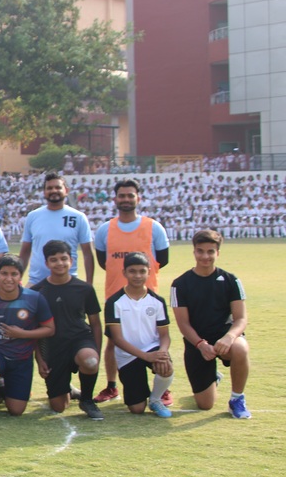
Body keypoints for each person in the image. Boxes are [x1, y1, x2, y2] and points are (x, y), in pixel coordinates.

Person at [93, 178, 170, 404]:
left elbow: (162, 260)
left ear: (138, 198)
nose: (126, 199)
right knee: (113, 342)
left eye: (130, 195)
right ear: (115, 199)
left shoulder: (154, 227)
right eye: (122, 196)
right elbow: (104, 261)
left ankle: (162, 387)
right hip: (115, 297)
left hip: (147, 298)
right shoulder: (105, 230)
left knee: (154, 340)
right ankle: (111, 386)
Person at [170, 230, 251, 419]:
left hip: (224, 338)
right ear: (194, 252)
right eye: (200, 251)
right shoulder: (180, 284)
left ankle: (236, 399)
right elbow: (183, 324)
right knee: (205, 405)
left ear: (217, 253)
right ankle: (213, 378)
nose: (205, 256)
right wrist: (200, 344)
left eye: (210, 251)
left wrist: (229, 337)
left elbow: (240, 319)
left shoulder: (231, 280)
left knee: (241, 348)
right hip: (197, 343)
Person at [0, 255, 55, 420]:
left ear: (20, 276)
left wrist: (22, 334)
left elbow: (50, 329)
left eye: (14, 274)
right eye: (4, 274)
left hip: (21, 357)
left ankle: (3, 386)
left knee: (16, 411)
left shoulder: (34, 298)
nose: (9, 278)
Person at [32, 240, 104, 420]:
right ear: (47, 263)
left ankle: (87, 399)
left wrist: (96, 351)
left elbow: (95, 323)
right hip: (54, 347)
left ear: (71, 260)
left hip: (80, 340)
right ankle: (68, 389)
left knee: (90, 361)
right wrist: (39, 358)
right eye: (54, 260)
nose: (60, 263)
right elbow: (34, 329)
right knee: (59, 407)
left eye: (64, 258)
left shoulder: (84, 289)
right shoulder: (37, 292)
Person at [104, 252, 174, 418]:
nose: (137, 275)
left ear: (149, 272)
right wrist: (145, 356)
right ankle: (141, 393)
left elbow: (165, 335)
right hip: (128, 355)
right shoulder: (114, 302)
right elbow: (117, 339)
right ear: (124, 273)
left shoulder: (157, 301)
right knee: (137, 409)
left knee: (166, 366)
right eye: (132, 271)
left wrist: (162, 352)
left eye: (142, 271)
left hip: (152, 348)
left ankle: (156, 399)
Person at [18, 173, 94, 287]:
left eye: (58, 187)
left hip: (68, 283)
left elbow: (87, 253)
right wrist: (18, 279)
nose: (54, 190)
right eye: (49, 188)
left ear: (66, 190)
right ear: (44, 192)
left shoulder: (78, 217)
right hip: (36, 282)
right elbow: (25, 251)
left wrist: (89, 284)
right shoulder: (33, 216)